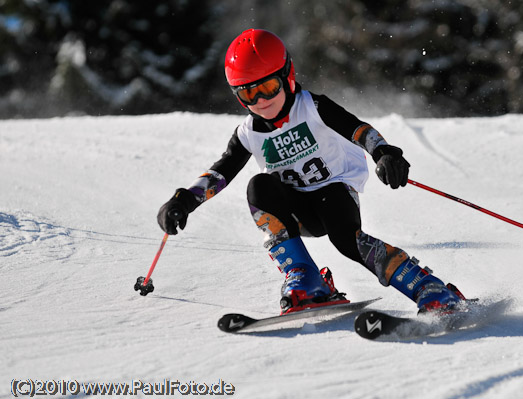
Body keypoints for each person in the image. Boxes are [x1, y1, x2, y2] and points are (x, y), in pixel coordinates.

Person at [157, 29, 466, 314]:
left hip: (335, 194)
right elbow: (220, 173)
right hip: (295, 209)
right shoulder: (248, 132)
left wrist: (385, 153)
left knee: (346, 239)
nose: (260, 101)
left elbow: (358, 130)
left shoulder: (312, 107)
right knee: (259, 186)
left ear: (287, 76)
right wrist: (183, 201)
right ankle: (305, 279)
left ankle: (430, 288)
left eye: (267, 87)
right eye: (247, 94)